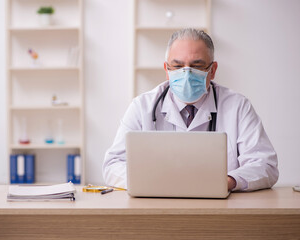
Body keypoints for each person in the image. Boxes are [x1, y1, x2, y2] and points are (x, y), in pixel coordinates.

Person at [103, 28, 279, 191]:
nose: (186, 75)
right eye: (178, 66)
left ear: (213, 70)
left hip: (220, 210)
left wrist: (228, 181)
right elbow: (113, 164)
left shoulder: (238, 107)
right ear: (167, 69)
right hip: (157, 207)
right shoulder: (142, 106)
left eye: (196, 66)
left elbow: (265, 165)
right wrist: (152, 182)